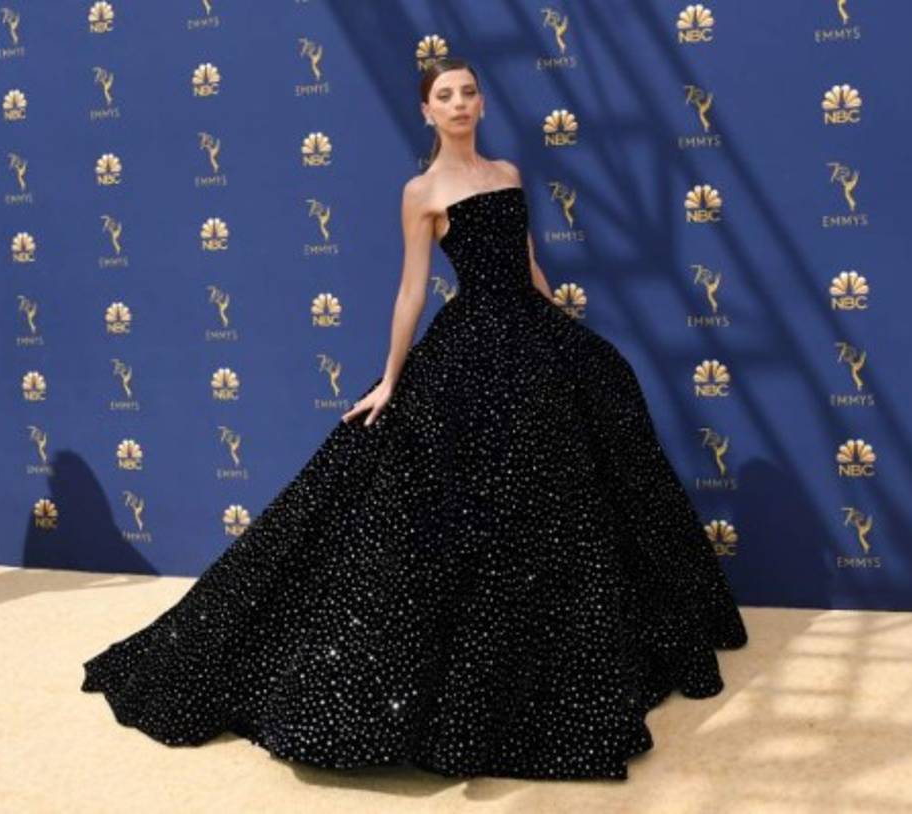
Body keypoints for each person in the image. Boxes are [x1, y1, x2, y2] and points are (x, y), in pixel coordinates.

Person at [81, 56, 749, 782]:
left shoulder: (508, 174)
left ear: (481, 103)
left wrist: (563, 330)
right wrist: (391, 381)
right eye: (444, 96)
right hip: (470, 349)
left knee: (568, 490)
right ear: (426, 112)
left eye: (467, 93)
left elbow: (527, 265)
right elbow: (410, 292)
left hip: (531, 338)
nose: (458, 104)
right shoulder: (422, 191)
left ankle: (574, 656)